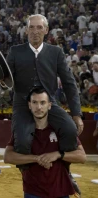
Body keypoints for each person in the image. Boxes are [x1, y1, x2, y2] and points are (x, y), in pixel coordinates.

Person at [6, 14, 83, 157]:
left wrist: (76, 114)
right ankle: (29, 174)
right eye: (31, 27)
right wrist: (1, 80)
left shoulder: (56, 52)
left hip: (49, 103)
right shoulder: (15, 52)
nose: (35, 31)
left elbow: (69, 83)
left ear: (46, 30)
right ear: (26, 31)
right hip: (23, 104)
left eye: (39, 27)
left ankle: (63, 169)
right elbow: (6, 79)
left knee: (70, 130)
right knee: (22, 142)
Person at [4, 87, 86, 198]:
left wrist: (58, 154)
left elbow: (82, 157)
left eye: (43, 102)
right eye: (34, 102)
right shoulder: (22, 131)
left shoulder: (61, 129)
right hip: (33, 192)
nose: (38, 107)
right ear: (29, 105)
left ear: (50, 105)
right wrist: (37, 158)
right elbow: (8, 157)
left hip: (61, 190)